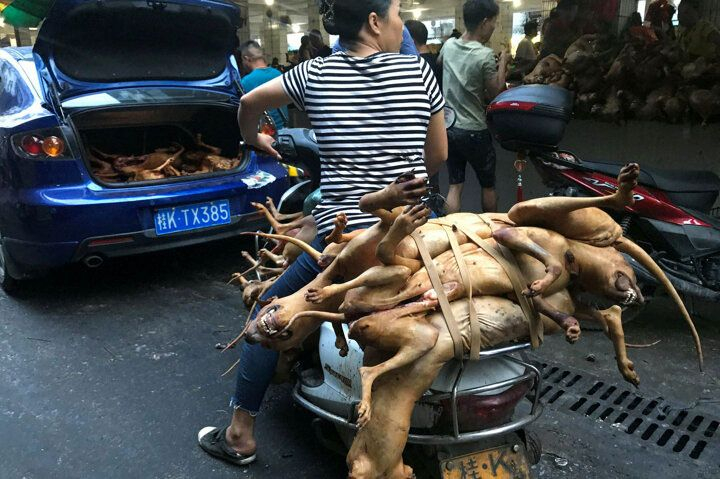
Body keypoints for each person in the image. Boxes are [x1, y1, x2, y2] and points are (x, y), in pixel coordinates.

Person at [197, 0, 447, 466]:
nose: (399, 24)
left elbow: (248, 104)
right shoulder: (420, 73)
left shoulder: (311, 74)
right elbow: (437, 156)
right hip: (419, 236)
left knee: (266, 318)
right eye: (395, 14)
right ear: (374, 22)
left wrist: (256, 141)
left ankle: (239, 434)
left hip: (345, 238)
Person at [439, 0, 509, 214]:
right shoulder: (484, 54)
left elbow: (441, 62)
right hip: (474, 130)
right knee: (488, 186)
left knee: (455, 185)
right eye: (494, 23)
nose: (493, 27)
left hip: (449, 128)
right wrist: (504, 62)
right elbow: (497, 92)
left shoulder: (449, 45)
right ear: (484, 22)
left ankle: (451, 232)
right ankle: (490, 234)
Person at [238, 41, 289, 130]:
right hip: (285, 131)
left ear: (247, 59)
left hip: (264, 135)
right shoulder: (278, 74)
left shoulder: (245, 82)